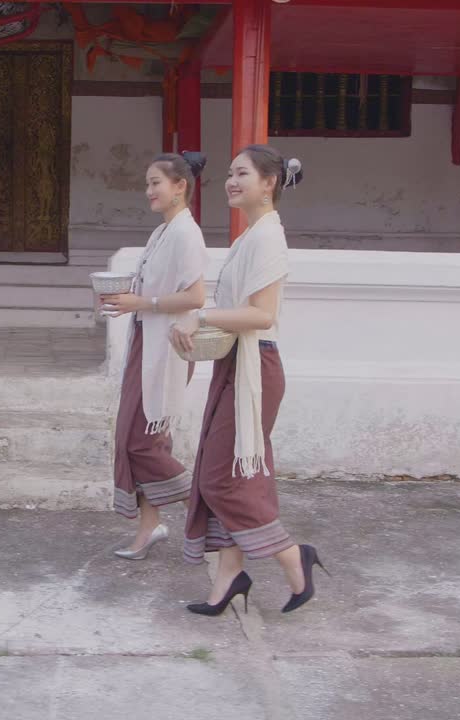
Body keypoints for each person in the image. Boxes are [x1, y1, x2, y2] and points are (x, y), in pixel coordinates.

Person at [169, 144, 326, 615]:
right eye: (230, 173)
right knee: (227, 474)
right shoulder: (249, 237)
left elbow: (261, 314)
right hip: (235, 364)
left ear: (269, 182)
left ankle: (292, 555)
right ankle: (227, 580)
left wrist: (200, 317)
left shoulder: (267, 238)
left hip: (256, 365)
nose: (231, 181)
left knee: (221, 480)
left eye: (242, 173)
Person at [99, 151, 209, 560]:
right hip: (147, 345)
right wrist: (128, 299)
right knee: (131, 439)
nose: (149, 191)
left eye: (155, 183)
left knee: (144, 443)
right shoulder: (162, 232)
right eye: (147, 183)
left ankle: (205, 511)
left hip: (167, 347)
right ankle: (150, 527)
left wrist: (141, 301)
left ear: (180, 186)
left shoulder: (185, 233)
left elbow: (195, 297)